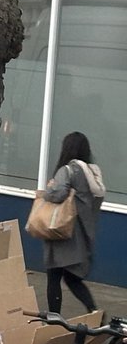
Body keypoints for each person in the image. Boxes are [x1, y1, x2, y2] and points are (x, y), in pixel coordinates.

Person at [41, 131, 104, 315]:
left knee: (54, 277)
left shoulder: (68, 171)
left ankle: (54, 318)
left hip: (62, 231)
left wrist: (48, 189)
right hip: (81, 235)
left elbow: (57, 194)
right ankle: (94, 311)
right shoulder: (93, 173)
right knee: (72, 278)